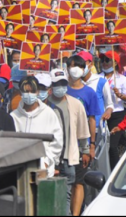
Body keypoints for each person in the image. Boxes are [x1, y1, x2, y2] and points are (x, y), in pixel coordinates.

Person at [46, 69, 91, 217]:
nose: (61, 87)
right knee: (48, 193)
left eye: (63, 83)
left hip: (67, 158)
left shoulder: (75, 104)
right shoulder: (44, 105)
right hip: (49, 158)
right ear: (51, 85)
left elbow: (83, 129)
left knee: (66, 193)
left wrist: (85, 150)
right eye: (57, 84)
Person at [66, 60, 101, 215]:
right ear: (66, 68)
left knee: (78, 181)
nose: (75, 69)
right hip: (63, 144)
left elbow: (92, 120)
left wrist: (91, 145)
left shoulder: (89, 93)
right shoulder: (61, 89)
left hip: (81, 143)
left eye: (79, 66)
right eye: (72, 65)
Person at [11, 76, 63, 179]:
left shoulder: (49, 114)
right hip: (20, 171)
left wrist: (46, 162)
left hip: (43, 171)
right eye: (25, 91)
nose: (29, 94)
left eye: (32, 91)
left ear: (38, 92)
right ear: (20, 93)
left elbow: (57, 142)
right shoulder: (14, 116)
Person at [96, 51, 126, 169]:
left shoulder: (122, 79)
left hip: (117, 115)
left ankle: (114, 172)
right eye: (103, 60)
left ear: (115, 63)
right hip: (101, 115)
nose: (104, 63)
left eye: (107, 60)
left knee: (112, 146)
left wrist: (121, 95)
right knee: (100, 146)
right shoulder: (97, 78)